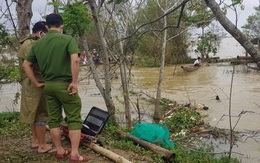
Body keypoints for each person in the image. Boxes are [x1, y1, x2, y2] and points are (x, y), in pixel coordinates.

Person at [23, 14, 89, 162]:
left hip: (48, 85)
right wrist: (75, 82)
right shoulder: (67, 39)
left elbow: (26, 65)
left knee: (53, 120)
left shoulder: (37, 44)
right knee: (74, 119)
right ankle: (75, 154)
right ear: (62, 26)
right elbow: (75, 60)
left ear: (46, 27)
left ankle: (59, 150)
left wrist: (36, 83)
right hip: (65, 85)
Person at [18, 21, 56, 154]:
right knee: (41, 114)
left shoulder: (27, 42)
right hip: (35, 83)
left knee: (34, 113)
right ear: (41, 33)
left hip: (30, 82)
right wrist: (37, 83)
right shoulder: (32, 44)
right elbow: (30, 65)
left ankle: (36, 141)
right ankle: (42, 146)